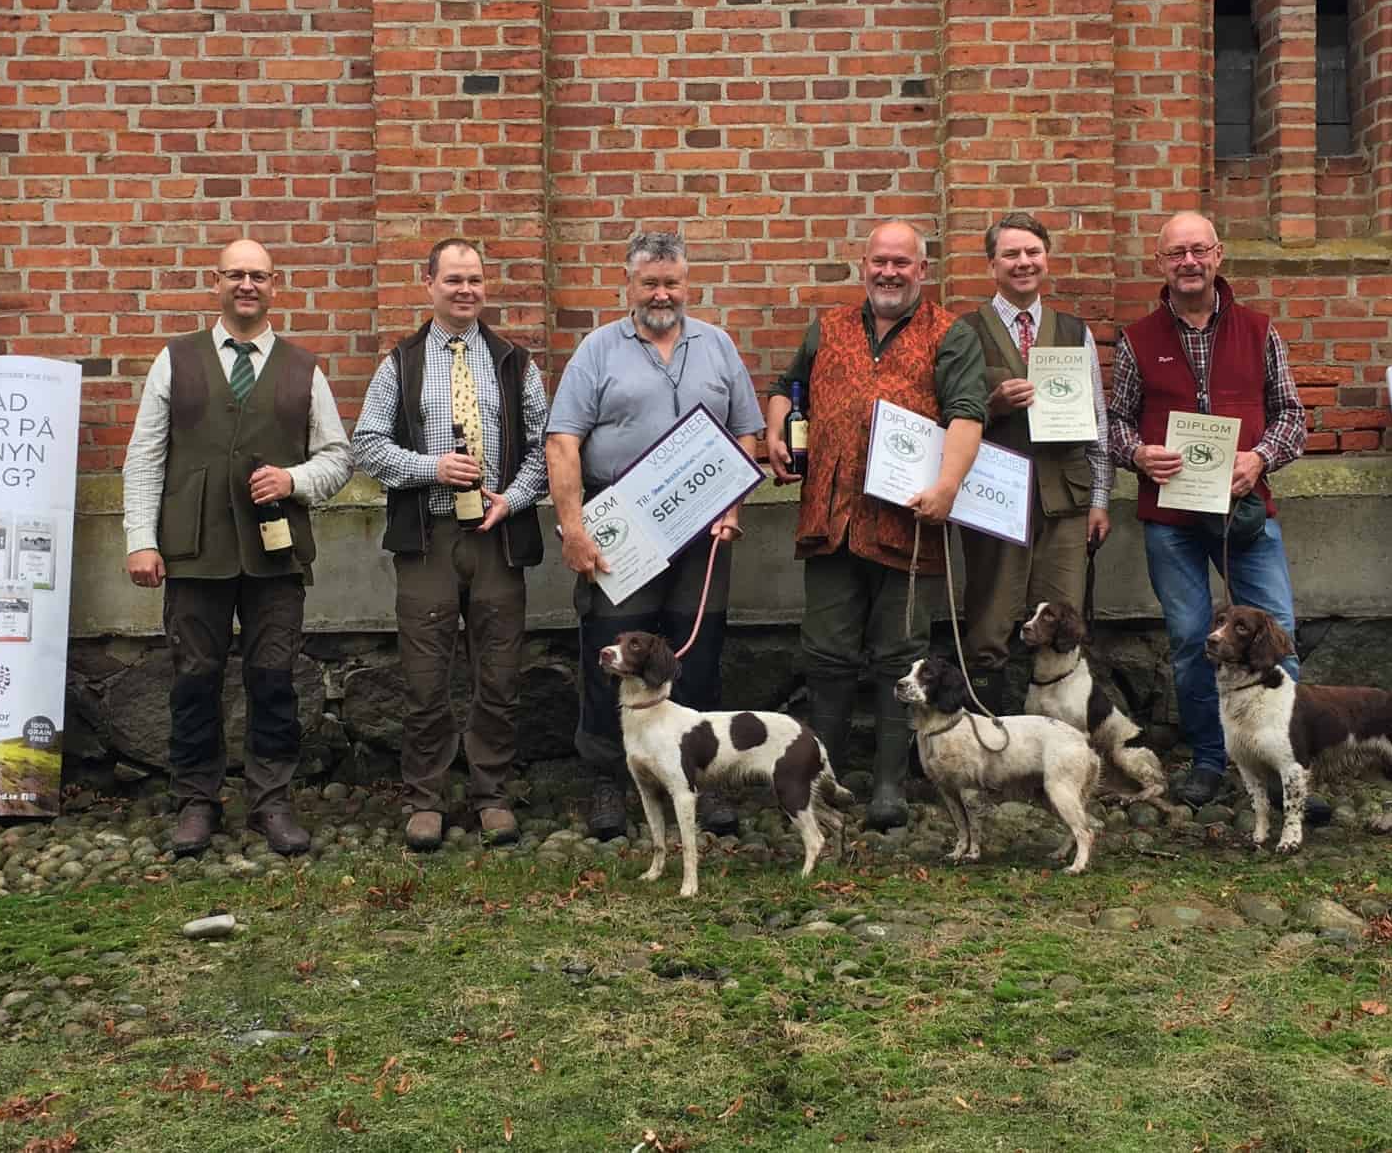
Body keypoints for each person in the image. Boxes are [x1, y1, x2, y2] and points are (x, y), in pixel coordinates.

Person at [121, 237, 352, 858]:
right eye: (235, 275)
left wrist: (294, 480)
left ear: (275, 286)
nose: (246, 285)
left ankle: (271, 801)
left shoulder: (304, 368)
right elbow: (145, 456)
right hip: (193, 552)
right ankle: (197, 799)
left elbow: (338, 457)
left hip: (275, 556)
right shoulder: (175, 360)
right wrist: (141, 540)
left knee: (274, 677)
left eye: (258, 276)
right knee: (194, 677)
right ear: (215, 282)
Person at [763, 220, 987, 829]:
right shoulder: (828, 326)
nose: (889, 273)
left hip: (907, 523)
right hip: (830, 522)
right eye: (880, 262)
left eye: (902, 263)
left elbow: (969, 415)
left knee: (901, 657)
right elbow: (788, 386)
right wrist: (777, 426)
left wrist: (947, 486)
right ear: (863, 264)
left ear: (922, 269)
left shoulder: (952, 335)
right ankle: (824, 779)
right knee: (826, 656)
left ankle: (889, 784)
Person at [548, 230, 764, 841]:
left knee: (697, 656)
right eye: (650, 283)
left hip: (702, 534)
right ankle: (608, 783)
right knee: (611, 657)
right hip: (620, 531)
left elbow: (746, 433)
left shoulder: (718, 346)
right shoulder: (597, 351)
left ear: (687, 285)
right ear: (630, 285)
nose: (662, 293)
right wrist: (572, 527)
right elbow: (563, 442)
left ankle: (703, 777)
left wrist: (733, 506)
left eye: (672, 282)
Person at [1105, 212, 1321, 816]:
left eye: (1199, 250)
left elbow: (1291, 417)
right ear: (1160, 263)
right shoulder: (1137, 339)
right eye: (1176, 254)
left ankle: (1288, 763)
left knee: (1277, 632)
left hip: (1245, 513)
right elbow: (1113, 423)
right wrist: (1137, 454)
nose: (1189, 263)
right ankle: (1208, 758)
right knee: (1189, 640)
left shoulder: (1259, 330)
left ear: (1219, 255)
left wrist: (1259, 459)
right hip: (1169, 519)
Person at [351, 238, 549, 850]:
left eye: (476, 281)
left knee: (499, 670)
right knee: (425, 673)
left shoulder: (516, 362)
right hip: (429, 537)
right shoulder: (401, 364)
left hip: (497, 536)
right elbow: (366, 445)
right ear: (429, 284)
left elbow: (547, 447)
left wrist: (511, 500)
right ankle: (426, 798)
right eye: (453, 280)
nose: (466, 291)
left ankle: (491, 792)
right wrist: (430, 468)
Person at [956, 212, 1112, 711]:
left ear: (1046, 259)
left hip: (1065, 499)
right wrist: (993, 404)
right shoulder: (965, 331)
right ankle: (992, 736)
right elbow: (946, 414)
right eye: (1011, 255)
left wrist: (1101, 500)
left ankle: (1059, 744)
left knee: (1062, 622)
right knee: (990, 621)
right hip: (993, 499)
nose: (1023, 263)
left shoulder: (1073, 331)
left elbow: (1098, 421)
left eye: (1032, 253)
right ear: (992, 265)